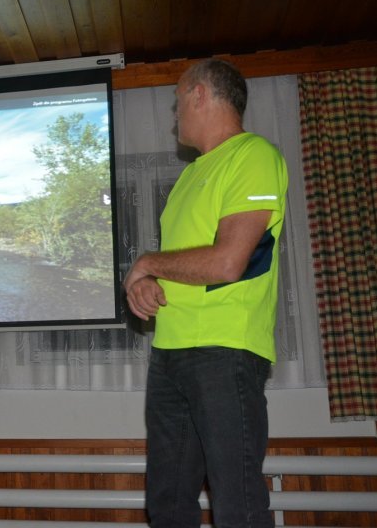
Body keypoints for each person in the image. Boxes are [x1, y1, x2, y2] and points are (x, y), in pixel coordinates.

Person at [124, 59, 288, 528]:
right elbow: (189, 266)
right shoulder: (187, 181)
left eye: (178, 102)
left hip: (225, 352)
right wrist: (149, 288)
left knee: (237, 504)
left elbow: (227, 261)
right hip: (170, 354)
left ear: (200, 94)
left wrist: (148, 263)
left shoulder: (253, 155)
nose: (176, 117)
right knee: (169, 506)